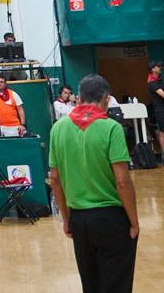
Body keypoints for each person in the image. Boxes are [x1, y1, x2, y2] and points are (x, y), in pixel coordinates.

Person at [48, 75, 139, 293]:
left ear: (79, 99)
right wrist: (134, 222)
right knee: (116, 284)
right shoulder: (111, 128)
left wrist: (67, 218)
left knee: (91, 285)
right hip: (111, 218)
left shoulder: (58, 129)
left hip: (79, 218)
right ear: (106, 99)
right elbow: (122, 181)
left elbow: (55, 180)